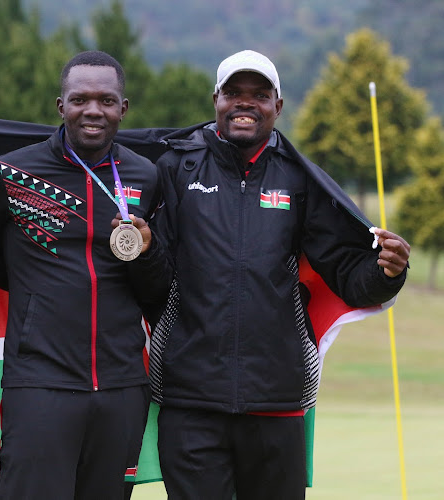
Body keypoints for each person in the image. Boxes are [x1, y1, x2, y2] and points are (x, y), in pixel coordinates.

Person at [150, 49, 411, 500]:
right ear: (216, 99)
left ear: (278, 106)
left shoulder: (299, 177)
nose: (244, 104)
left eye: (259, 95)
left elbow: (346, 273)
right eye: (233, 93)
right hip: (191, 400)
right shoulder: (176, 167)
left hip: (278, 398)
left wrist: (387, 272)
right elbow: (152, 276)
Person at [0, 50, 171, 499]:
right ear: (61, 106)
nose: (93, 110)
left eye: (106, 100)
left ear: (124, 108)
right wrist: (38, 296)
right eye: (80, 99)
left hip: (122, 384)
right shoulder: (10, 174)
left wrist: (146, 251)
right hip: (40, 382)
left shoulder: (146, 175)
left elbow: (158, 286)